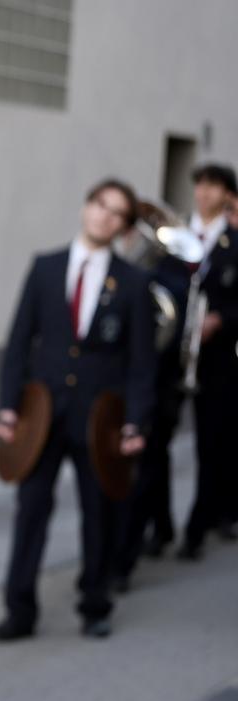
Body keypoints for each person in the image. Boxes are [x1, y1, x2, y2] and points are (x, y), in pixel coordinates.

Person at [0, 178, 155, 642]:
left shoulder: (136, 283)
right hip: (41, 413)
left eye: (117, 212)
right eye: (101, 204)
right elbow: (19, 342)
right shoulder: (45, 268)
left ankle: (95, 603)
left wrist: (136, 421)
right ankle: (19, 611)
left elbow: (143, 363)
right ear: (87, 207)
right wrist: (7, 408)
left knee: (98, 512)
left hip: (100, 416)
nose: (105, 215)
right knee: (31, 510)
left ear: (124, 227)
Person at [176, 163, 238, 559]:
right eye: (199, 184)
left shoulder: (235, 243)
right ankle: (156, 526)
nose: (203, 192)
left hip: (215, 360)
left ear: (227, 195)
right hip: (171, 356)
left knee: (211, 444)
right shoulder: (176, 236)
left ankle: (198, 527)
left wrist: (222, 319)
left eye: (213, 186)